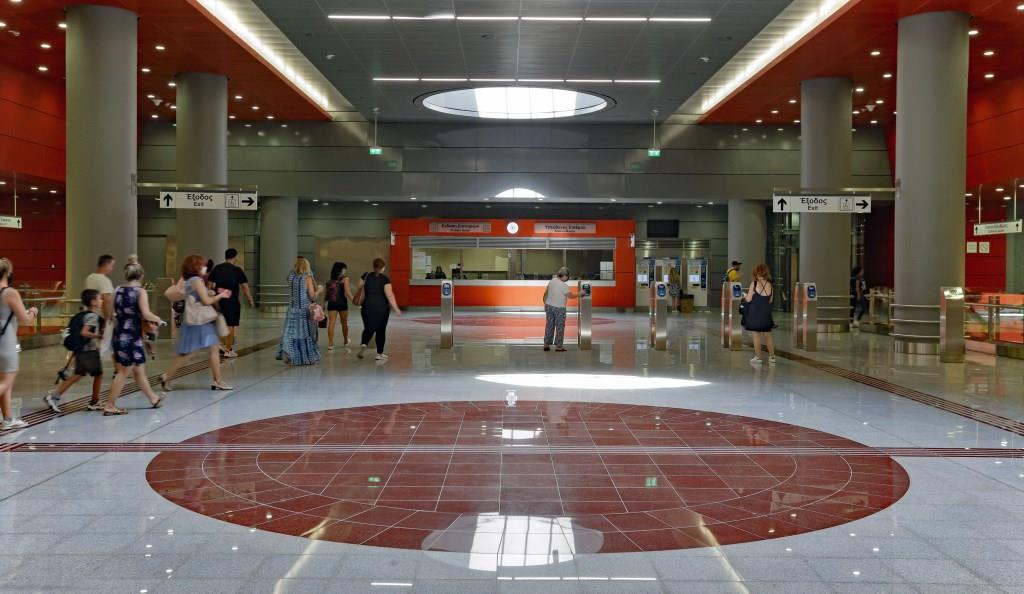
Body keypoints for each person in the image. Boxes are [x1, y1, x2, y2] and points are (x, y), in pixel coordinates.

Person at [159, 255, 233, 391]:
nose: (204, 267)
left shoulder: (188, 280)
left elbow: (197, 296)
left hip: (194, 321)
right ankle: (217, 381)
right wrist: (221, 295)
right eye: (202, 265)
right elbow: (206, 301)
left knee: (205, 349)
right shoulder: (197, 280)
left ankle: (217, 380)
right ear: (196, 267)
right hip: (201, 322)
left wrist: (209, 292)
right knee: (195, 352)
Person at [104, 256, 167, 415]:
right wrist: (159, 320)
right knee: (123, 372)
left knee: (138, 369)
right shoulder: (140, 292)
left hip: (119, 334)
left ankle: (153, 398)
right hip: (132, 336)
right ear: (141, 276)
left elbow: (111, 314)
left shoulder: (117, 290)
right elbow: (146, 313)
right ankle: (110, 405)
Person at [44, 289, 105, 413]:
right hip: (88, 352)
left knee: (92, 374)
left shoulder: (85, 314)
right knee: (81, 375)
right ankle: (54, 396)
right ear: (93, 302)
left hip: (85, 350)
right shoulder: (92, 316)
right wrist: (99, 336)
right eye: (99, 298)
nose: (101, 301)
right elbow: (84, 332)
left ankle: (95, 400)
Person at [0, 258, 39, 429]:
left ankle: (8, 419)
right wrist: (33, 312)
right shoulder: (10, 293)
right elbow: (25, 319)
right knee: (7, 381)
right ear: (7, 273)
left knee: (4, 380)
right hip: (6, 342)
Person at [208, 248, 255, 358]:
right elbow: (245, 287)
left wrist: (210, 297)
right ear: (235, 257)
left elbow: (209, 285)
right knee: (230, 325)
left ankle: (222, 345)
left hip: (218, 301)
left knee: (221, 323)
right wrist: (250, 300)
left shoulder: (217, 268)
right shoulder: (237, 270)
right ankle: (228, 350)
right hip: (232, 302)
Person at [354, 258, 401, 361]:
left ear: (374, 266)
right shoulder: (385, 279)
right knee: (381, 330)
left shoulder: (365, 276)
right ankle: (379, 354)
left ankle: (364, 343)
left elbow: (359, 288)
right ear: (383, 268)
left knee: (368, 328)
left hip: (367, 307)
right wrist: (396, 308)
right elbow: (389, 295)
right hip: (381, 308)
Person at [277, 257, 321, 365]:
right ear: (306, 266)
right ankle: (304, 357)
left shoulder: (290, 277)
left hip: (291, 310)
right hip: (303, 310)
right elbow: (312, 296)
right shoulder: (307, 278)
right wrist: (319, 290)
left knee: (290, 333)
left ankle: (288, 352)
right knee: (304, 334)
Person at [744, 263, 776, 366]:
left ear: (755, 272)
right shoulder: (770, 285)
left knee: (756, 334)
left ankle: (758, 357)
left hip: (755, 314)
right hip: (766, 313)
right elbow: (770, 300)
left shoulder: (754, 284)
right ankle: (772, 357)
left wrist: (744, 296)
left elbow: (748, 299)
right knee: (768, 335)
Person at [543, 267, 578, 352]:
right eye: (568, 276)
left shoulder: (552, 281)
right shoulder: (563, 285)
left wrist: (545, 303)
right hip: (559, 308)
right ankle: (559, 347)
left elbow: (546, 293)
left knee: (549, 326)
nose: (567, 278)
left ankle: (546, 345)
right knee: (560, 327)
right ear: (565, 275)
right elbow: (571, 296)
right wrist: (581, 293)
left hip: (549, 306)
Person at [324, 261, 354, 352]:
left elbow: (327, 294)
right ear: (340, 270)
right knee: (344, 322)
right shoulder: (345, 279)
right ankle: (345, 341)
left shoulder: (330, 280)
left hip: (332, 303)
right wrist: (354, 300)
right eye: (344, 269)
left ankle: (330, 344)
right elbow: (347, 292)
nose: (345, 271)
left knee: (331, 323)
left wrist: (323, 304)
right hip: (342, 303)